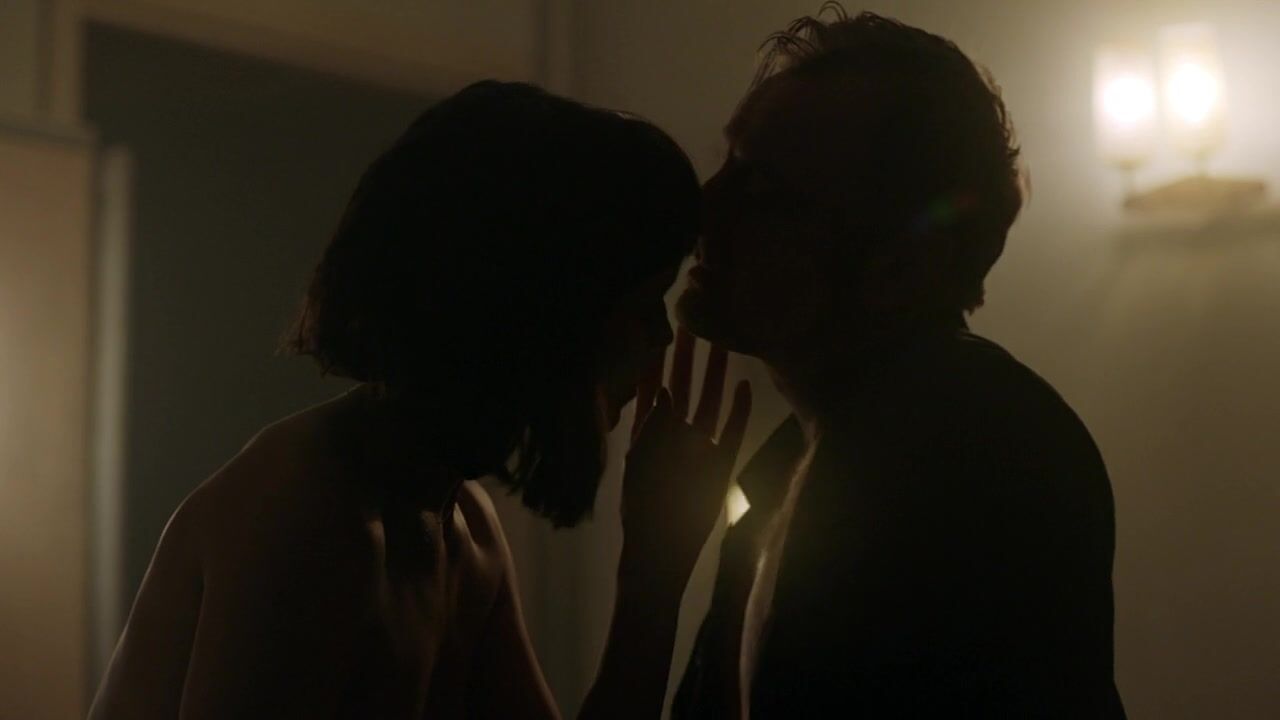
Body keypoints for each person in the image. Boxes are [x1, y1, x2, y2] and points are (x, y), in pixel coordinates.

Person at [88, 80, 751, 720]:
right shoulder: (305, 517)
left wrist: (654, 573)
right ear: (544, 313)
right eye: (642, 305)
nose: (663, 337)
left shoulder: (461, 524)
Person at [672, 8, 1126, 718]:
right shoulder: (796, 464)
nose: (703, 208)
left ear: (899, 268)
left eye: (761, 189)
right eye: (728, 164)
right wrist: (652, 581)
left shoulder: (983, 457)